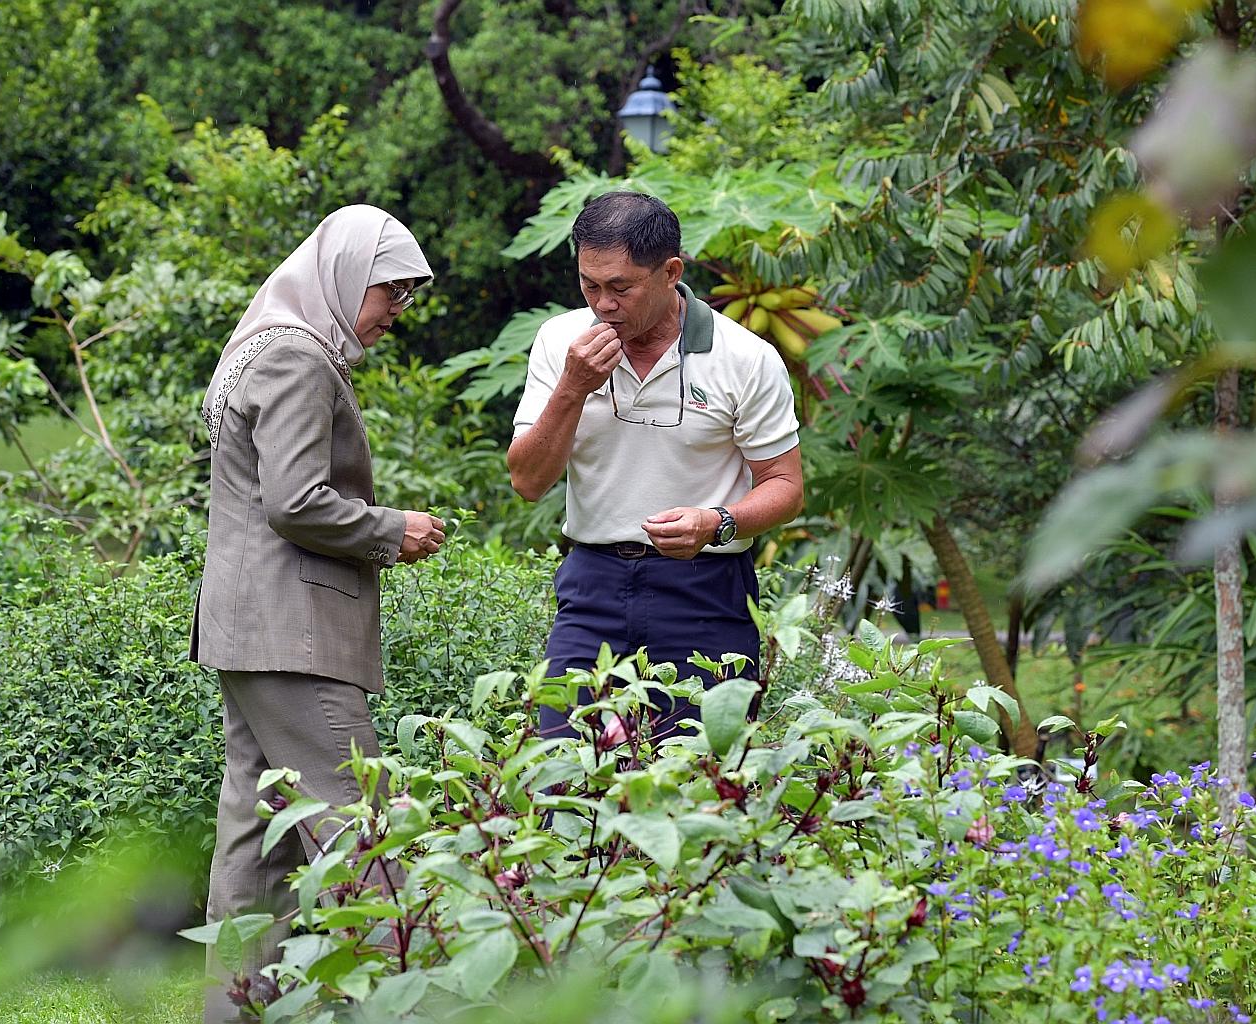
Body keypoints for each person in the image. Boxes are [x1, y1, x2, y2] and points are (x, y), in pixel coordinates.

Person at [190, 204, 447, 1023]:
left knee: (257, 841)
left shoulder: (262, 343)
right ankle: (398, 1001)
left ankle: (238, 1010)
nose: (394, 315)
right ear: (342, 277)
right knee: (357, 828)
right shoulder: (299, 357)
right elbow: (296, 501)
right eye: (389, 294)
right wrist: (390, 530)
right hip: (292, 634)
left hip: (250, 629)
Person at [508, 190, 804, 743]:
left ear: (671, 272)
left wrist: (716, 523)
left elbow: (785, 486)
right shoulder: (559, 343)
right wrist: (573, 387)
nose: (603, 305)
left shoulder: (746, 358)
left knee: (701, 783)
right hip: (591, 584)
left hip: (706, 589)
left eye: (621, 287)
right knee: (561, 777)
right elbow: (527, 481)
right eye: (589, 285)